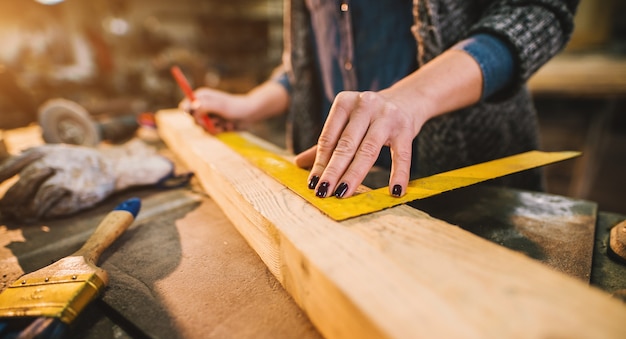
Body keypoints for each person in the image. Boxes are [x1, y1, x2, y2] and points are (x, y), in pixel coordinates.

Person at [181, 0, 579, 199]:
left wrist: (414, 97)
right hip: (345, 176)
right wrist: (251, 104)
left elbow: (538, 11)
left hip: (462, 178)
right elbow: (305, 65)